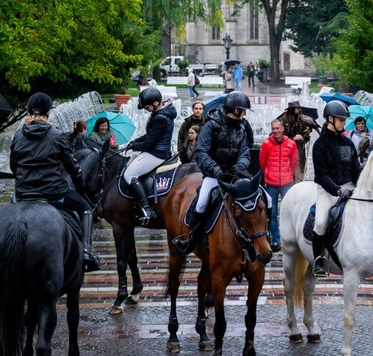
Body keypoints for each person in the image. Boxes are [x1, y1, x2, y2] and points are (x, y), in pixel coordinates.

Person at [10, 92, 101, 271]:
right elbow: (72, 167)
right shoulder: (57, 135)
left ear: (29, 112)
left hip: (22, 194)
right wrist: (80, 184)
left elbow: (14, 166)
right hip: (53, 192)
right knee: (85, 209)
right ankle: (85, 251)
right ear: (48, 113)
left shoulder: (18, 136)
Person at [174, 91, 254, 255]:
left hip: (235, 175)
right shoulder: (211, 126)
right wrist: (215, 169)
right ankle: (191, 240)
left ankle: (262, 238)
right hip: (214, 176)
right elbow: (201, 152)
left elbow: (245, 153)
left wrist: (239, 166)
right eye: (243, 110)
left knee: (262, 197)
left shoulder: (241, 127)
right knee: (202, 202)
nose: (245, 114)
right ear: (235, 110)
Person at [310, 100, 361, 276]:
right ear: (330, 119)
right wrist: (337, 191)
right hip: (328, 189)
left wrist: (361, 187)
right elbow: (322, 175)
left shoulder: (348, 143)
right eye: (340, 119)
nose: (343, 123)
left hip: (350, 187)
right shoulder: (319, 145)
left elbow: (356, 169)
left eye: (344, 120)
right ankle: (318, 260)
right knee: (322, 221)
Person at [122, 86, 176, 224]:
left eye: (147, 107)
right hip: (157, 150)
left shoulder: (160, 118)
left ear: (156, 103)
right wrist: (135, 141)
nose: (146, 110)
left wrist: (136, 146)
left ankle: (147, 208)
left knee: (129, 174)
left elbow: (150, 143)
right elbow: (149, 136)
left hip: (156, 153)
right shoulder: (161, 113)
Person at [259, 119, 297, 252]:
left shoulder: (291, 144)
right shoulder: (266, 144)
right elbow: (262, 162)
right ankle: (276, 239)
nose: (275, 131)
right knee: (272, 213)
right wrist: (269, 174)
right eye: (273, 128)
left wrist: (288, 174)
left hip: (286, 182)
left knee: (289, 212)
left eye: (277, 128)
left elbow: (293, 161)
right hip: (271, 183)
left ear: (283, 129)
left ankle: (290, 237)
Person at [279, 99, 319, 183]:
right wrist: (293, 138)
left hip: (299, 152)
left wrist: (306, 135)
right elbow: (277, 137)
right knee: (287, 181)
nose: (299, 110)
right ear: (291, 109)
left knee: (299, 178)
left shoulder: (301, 119)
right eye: (297, 108)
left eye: (299, 108)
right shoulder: (283, 120)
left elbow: (305, 138)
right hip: (286, 154)